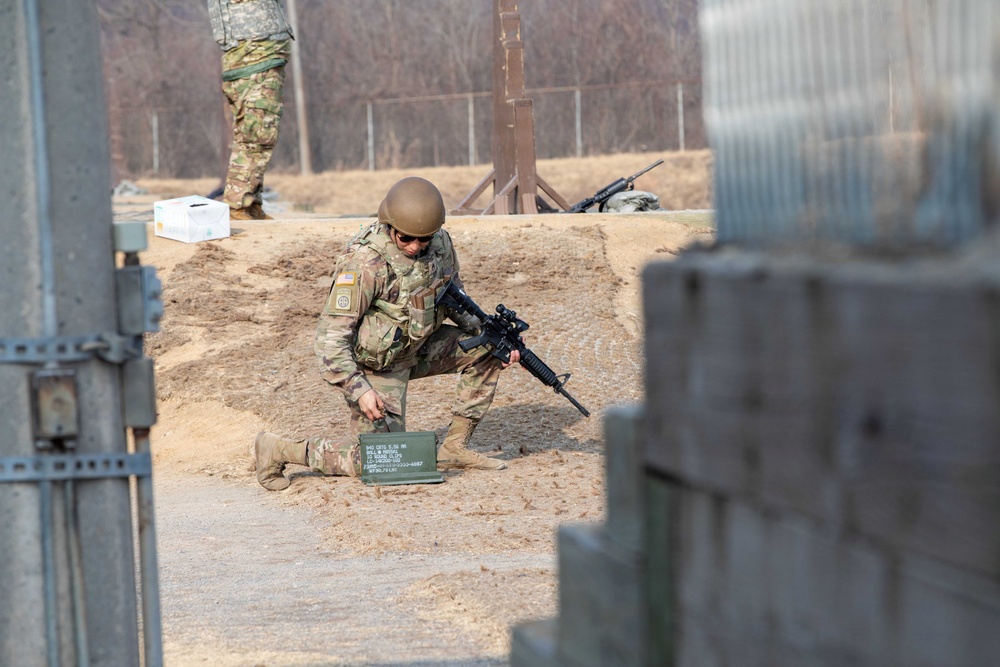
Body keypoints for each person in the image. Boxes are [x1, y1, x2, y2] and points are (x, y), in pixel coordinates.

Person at [255, 177, 520, 491]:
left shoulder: (440, 246)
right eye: (407, 238)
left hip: (418, 347)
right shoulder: (365, 265)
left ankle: (453, 450)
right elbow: (330, 342)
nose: (415, 246)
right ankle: (280, 450)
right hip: (375, 367)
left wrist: (490, 333)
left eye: (424, 239)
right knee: (385, 464)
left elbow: (454, 295)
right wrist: (360, 390)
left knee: (490, 348)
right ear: (390, 226)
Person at [207, 0, 293, 221]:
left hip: (259, 54)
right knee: (258, 133)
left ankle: (249, 202)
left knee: (254, 133)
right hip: (254, 54)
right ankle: (238, 203)